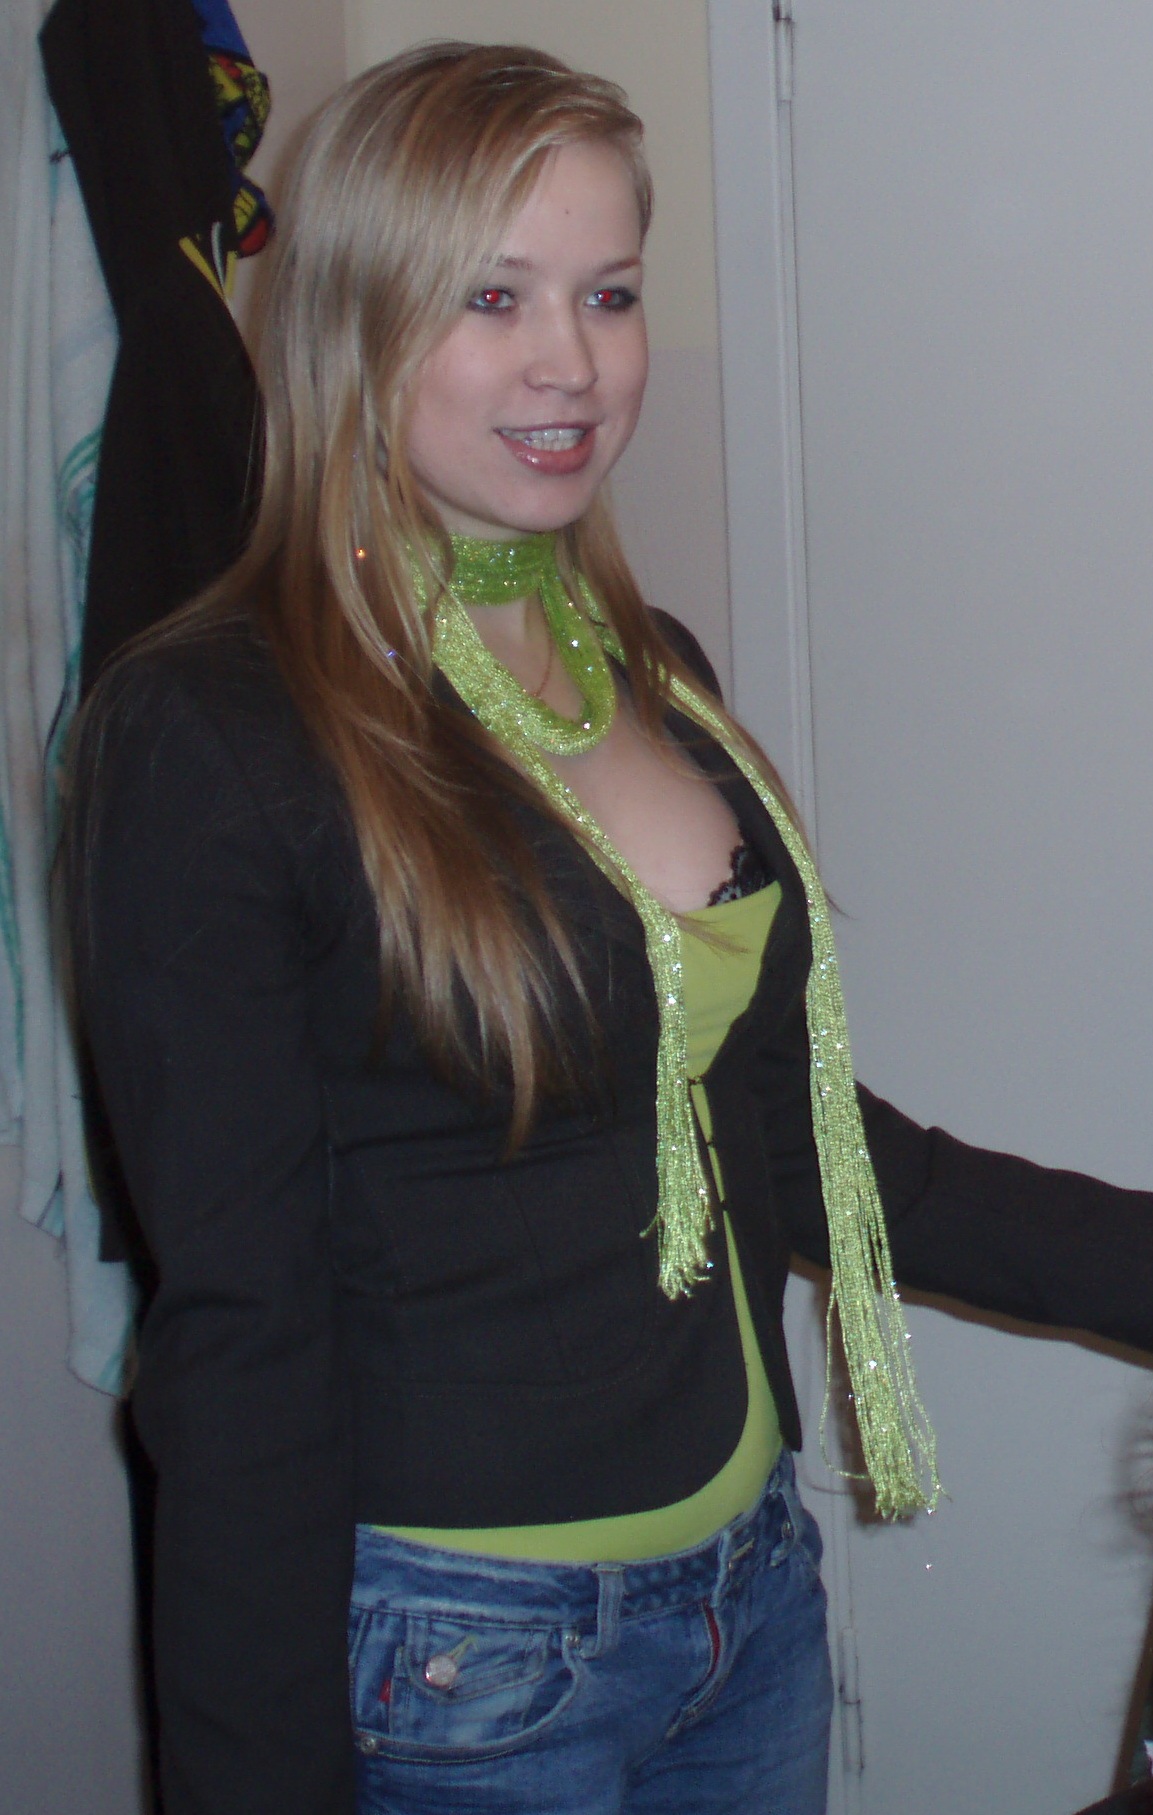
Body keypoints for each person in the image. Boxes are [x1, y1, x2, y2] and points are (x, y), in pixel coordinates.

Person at [67, 40, 1153, 1815]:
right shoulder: (216, 733)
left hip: (745, 1605)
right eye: (490, 297)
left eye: (610, 293)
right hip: (462, 1654)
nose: (568, 362)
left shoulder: (651, 675)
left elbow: (806, 1150)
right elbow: (238, 1331)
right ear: (354, 313)